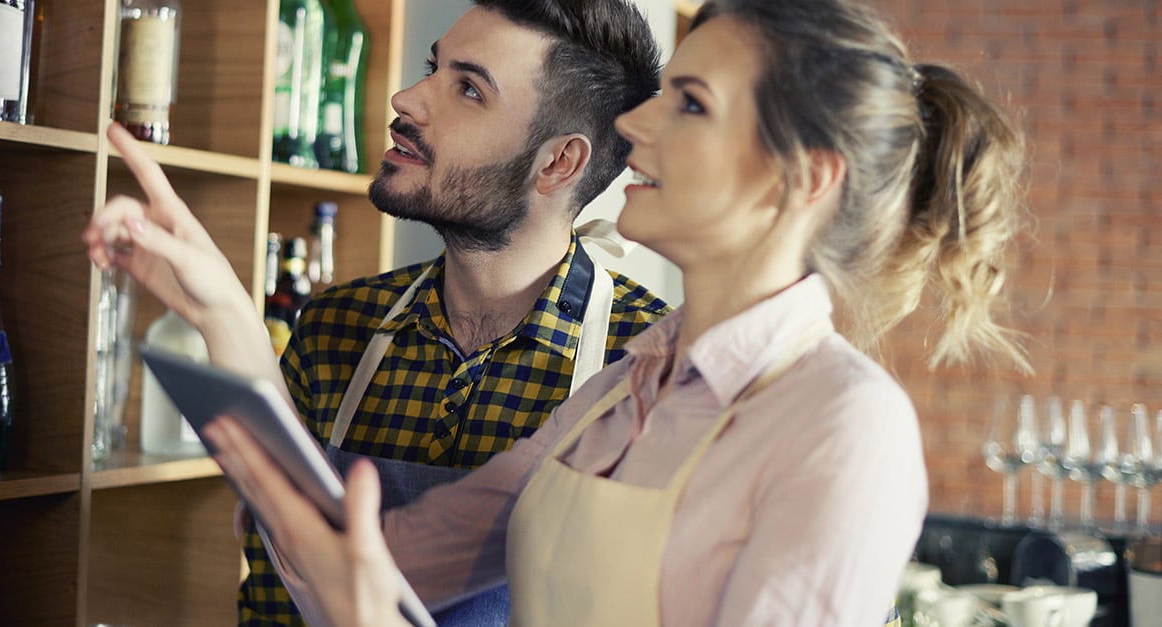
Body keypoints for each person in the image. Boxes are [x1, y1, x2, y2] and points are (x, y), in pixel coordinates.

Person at [196, 0, 1035, 624]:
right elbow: (370, 568)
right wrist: (229, 329)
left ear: (804, 177)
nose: (633, 124)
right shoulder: (623, 389)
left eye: (692, 103)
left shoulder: (843, 425)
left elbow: (364, 595)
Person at [83, 1, 669, 625]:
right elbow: (273, 603)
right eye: (432, 67)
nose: (405, 98)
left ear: (558, 163)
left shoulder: (646, 367)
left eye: (468, 89)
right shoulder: (336, 328)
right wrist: (219, 312)